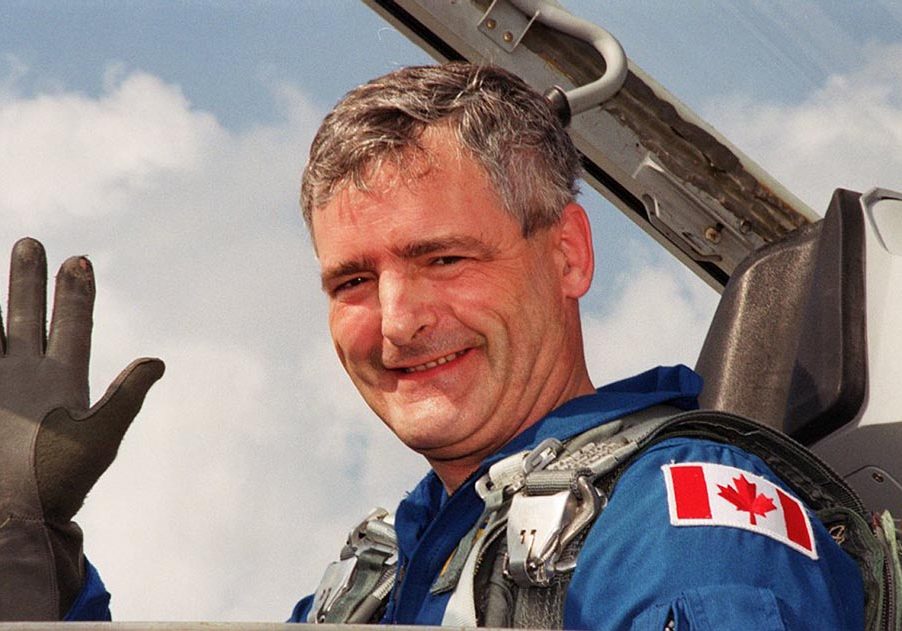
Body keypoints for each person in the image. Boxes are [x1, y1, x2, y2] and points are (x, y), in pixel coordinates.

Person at [1, 63, 864, 628]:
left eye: (442, 259)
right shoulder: (380, 583)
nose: (397, 320)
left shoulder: (680, 531)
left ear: (568, 252)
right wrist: (24, 542)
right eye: (351, 282)